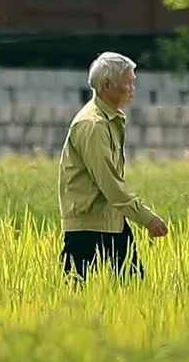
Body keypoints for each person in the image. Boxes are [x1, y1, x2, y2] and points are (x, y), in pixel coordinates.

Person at [59, 51, 170, 279]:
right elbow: (109, 182)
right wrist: (147, 218)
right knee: (75, 301)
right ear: (108, 86)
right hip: (87, 228)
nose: (133, 89)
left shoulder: (109, 120)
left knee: (134, 292)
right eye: (128, 83)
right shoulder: (93, 125)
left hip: (113, 222)